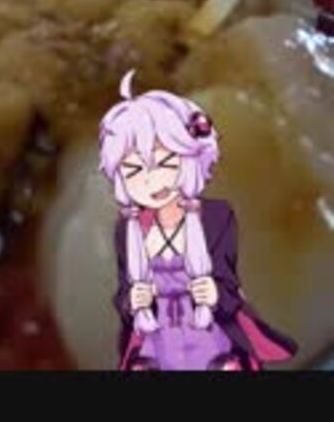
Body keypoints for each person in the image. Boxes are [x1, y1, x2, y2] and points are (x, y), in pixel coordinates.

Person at [97, 69, 297, 371]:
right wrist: (133, 300)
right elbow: (122, 293)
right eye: (135, 170)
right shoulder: (126, 229)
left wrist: (215, 293)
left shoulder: (217, 217)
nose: (153, 180)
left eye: (166, 162)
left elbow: (230, 281)